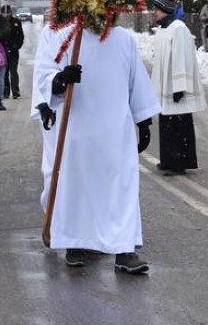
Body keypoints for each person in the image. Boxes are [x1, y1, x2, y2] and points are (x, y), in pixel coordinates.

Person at [33, 21, 160, 274]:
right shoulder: (60, 35)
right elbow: (44, 72)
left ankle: (124, 249)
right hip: (76, 127)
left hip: (115, 128)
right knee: (77, 186)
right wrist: (59, 80)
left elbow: (135, 77)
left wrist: (143, 119)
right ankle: (75, 243)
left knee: (121, 185)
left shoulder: (122, 38)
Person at [150, 0, 206, 175]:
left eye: (157, 9)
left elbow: (182, 58)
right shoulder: (164, 29)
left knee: (179, 126)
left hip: (175, 86)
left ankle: (180, 161)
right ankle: (168, 160)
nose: (154, 12)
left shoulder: (179, 28)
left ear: (165, 9)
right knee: (167, 125)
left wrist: (180, 86)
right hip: (166, 86)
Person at [1, 4, 24, 99]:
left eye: (8, 12)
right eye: (4, 13)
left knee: (13, 71)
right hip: (3, 51)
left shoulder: (16, 22)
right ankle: (6, 91)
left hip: (14, 51)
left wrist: (16, 46)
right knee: (4, 72)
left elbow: (21, 36)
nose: (6, 14)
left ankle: (15, 91)